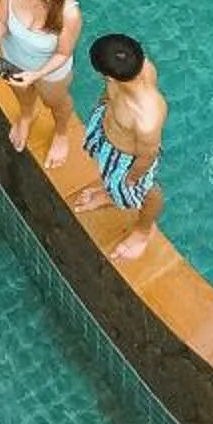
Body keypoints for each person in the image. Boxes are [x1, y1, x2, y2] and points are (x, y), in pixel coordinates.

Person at [0, 0, 81, 168]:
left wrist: (36, 75)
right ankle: (26, 116)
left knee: (56, 103)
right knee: (23, 95)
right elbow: (1, 21)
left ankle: (61, 133)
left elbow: (63, 54)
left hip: (50, 71)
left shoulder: (69, 15)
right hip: (13, 57)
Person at [74, 32, 165, 265]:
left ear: (108, 76)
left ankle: (143, 231)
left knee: (149, 193)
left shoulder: (146, 116)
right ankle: (108, 193)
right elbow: (110, 92)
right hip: (109, 135)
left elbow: (149, 154)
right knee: (110, 181)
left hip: (128, 161)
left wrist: (132, 179)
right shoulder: (133, 67)